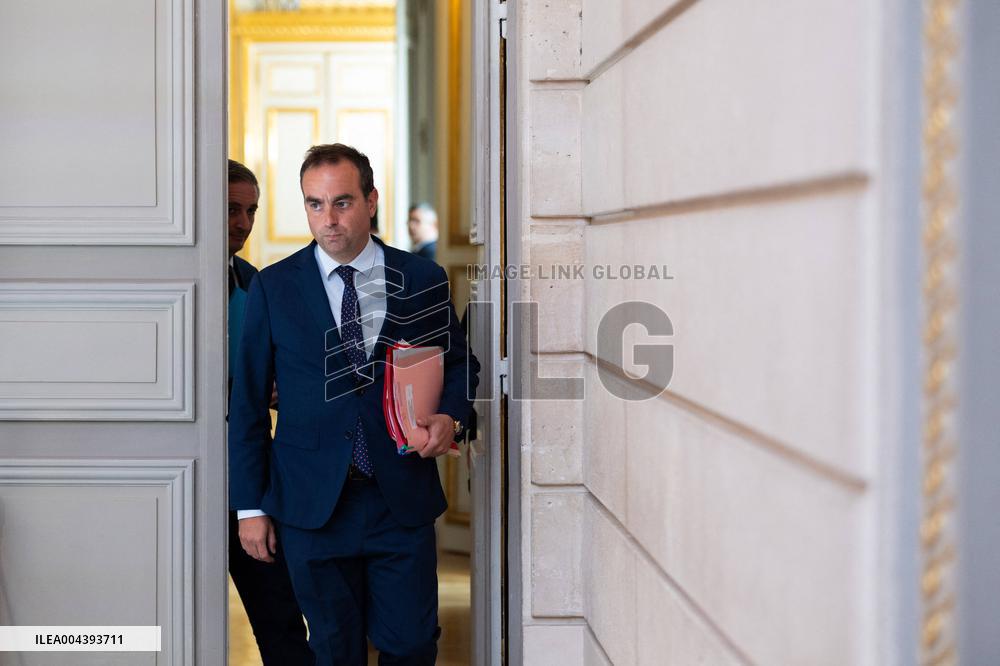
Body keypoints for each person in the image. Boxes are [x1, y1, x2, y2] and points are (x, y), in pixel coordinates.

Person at [229, 144, 480, 665]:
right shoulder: (274, 287)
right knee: (332, 650)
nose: (328, 219)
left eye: (342, 202)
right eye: (314, 205)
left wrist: (451, 418)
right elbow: (250, 402)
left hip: (399, 499)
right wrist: (250, 507)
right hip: (310, 505)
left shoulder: (422, 280)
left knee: (411, 644)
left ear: (371, 200)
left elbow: (458, 365)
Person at [226, 159, 313, 665]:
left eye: (251, 210)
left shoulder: (255, 281)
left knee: (280, 617)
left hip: (249, 481)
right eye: (232, 209)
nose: (243, 222)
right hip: (172, 479)